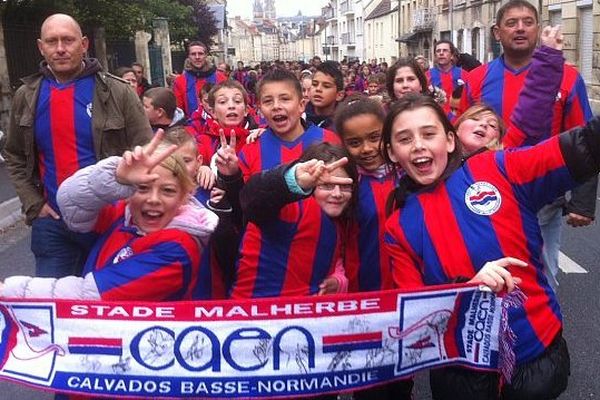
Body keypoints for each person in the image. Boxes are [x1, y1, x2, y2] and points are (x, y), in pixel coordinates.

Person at [382, 94, 600, 400]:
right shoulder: (397, 226)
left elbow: (580, 147)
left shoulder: (498, 167)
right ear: (393, 153)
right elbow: (416, 313)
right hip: (460, 371)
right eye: (405, 139)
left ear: (449, 139)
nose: (418, 145)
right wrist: (466, 289)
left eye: (428, 134)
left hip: (536, 357)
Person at [1, 13, 151, 279]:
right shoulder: (26, 96)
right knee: (53, 309)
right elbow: (13, 154)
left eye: (68, 40)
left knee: (108, 308)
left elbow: (145, 152)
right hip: (53, 225)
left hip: (111, 222)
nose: (60, 48)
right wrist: (34, 205)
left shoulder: (118, 92)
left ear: (84, 44)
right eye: (52, 41)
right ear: (40, 47)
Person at [0, 131, 219, 301]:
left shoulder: (178, 248)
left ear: (184, 197)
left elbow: (90, 295)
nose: (153, 199)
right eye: (142, 188)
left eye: (168, 191)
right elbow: (70, 203)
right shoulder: (126, 215)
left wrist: (13, 290)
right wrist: (116, 177)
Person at [466, 1, 595, 288]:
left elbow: (583, 137)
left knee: (541, 274)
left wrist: (584, 203)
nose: (521, 28)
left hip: (544, 196)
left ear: (538, 29)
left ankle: (544, 329)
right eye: (512, 23)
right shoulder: (476, 79)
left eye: (528, 21)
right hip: (487, 194)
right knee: (488, 273)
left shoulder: (569, 77)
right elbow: (460, 137)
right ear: (497, 33)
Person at [231, 142, 354, 299]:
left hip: (303, 317)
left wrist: (339, 281)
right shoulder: (292, 209)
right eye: (327, 185)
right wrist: (292, 180)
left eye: (344, 186)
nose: (337, 193)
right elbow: (252, 200)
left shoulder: (338, 221)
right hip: (257, 315)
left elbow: (333, 259)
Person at [238, 68, 340, 181]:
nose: (276, 106)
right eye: (268, 101)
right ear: (260, 110)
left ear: (301, 105)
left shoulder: (330, 140)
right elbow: (243, 195)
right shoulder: (250, 150)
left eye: (285, 99)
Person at [172, 41, 227, 117]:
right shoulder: (180, 81)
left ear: (206, 55)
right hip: (191, 125)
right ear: (189, 57)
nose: (197, 57)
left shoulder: (220, 78)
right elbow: (179, 111)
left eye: (200, 54)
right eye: (193, 54)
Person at [427, 40, 470, 116]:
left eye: (445, 50)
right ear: (435, 56)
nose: (441, 53)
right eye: (438, 51)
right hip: (435, 119)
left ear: (452, 55)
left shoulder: (464, 75)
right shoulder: (427, 76)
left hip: (459, 120)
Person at [305, 61, 345, 130]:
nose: (318, 89)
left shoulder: (344, 124)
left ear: (339, 95)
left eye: (326, 86)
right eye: (314, 84)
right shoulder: (299, 119)